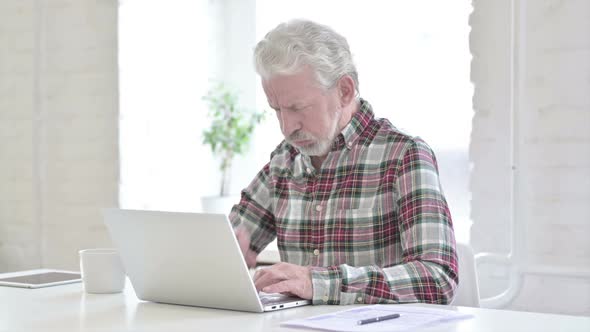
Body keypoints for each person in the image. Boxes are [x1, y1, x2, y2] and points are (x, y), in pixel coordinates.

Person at [230, 19, 458, 305]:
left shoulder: (404, 155)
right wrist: (225, 255)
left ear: (345, 91)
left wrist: (320, 284)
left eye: (297, 107)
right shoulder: (284, 161)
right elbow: (230, 244)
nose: (287, 127)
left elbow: (438, 278)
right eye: (276, 109)